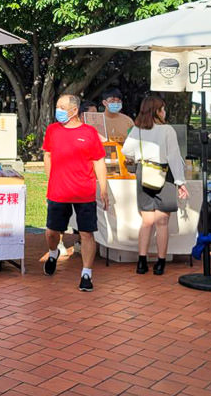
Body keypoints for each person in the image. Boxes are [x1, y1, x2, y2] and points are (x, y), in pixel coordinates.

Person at [43, 94, 108, 291]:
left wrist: (103, 189)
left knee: (87, 233)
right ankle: (53, 252)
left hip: (84, 191)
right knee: (52, 231)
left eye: (62, 107)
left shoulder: (89, 132)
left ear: (74, 110)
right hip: (58, 190)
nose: (59, 111)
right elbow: (48, 154)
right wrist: (51, 178)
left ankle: (86, 274)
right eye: (57, 107)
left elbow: (99, 161)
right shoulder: (52, 130)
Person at [122, 95, 189, 275]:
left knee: (146, 221)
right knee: (162, 223)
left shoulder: (138, 129)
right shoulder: (167, 130)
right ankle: (160, 263)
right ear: (157, 111)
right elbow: (174, 157)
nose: (165, 112)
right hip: (164, 175)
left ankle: (141, 261)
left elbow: (126, 150)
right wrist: (180, 182)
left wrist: (139, 157)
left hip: (143, 173)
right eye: (163, 109)